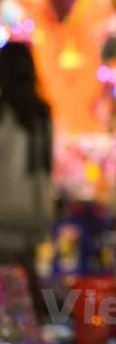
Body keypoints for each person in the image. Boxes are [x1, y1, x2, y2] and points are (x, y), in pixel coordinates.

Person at [0, 41, 53, 317]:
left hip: (3, 214)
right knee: (27, 282)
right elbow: (46, 167)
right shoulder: (42, 112)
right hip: (33, 213)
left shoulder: (3, 112)